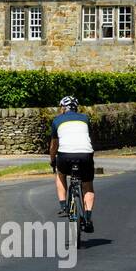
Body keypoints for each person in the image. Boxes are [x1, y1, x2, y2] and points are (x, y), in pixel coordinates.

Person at [50, 95, 95, 231]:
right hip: (85, 155)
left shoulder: (57, 120)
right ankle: (87, 218)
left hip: (65, 156)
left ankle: (64, 206)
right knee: (87, 186)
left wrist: (53, 160)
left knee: (60, 173)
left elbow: (54, 145)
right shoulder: (85, 119)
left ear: (63, 108)